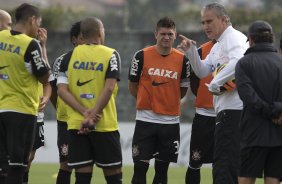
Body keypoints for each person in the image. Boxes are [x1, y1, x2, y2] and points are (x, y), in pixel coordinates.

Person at [177, 2, 248, 184]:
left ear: (224, 20)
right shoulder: (218, 45)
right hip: (223, 113)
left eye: (209, 21)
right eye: (203, 22)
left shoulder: (233, 37)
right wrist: (192, 51)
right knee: (222, 166)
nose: (205, 26)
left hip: (234, 113)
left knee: (226, 167)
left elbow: (239, 61)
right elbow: (202, 71)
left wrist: (217, 82)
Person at [57, 17, 122, 184]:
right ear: (100, 32)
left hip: (77, 125)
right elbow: (109, 88)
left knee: (82, 177)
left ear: (82, 35)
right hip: (104, 124)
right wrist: (93, 115)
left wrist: (84, 113)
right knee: (114, 176)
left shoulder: (68, 57)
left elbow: (62, 91)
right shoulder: (111, 54)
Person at [128, 17, 190, 184]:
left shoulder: (183, 60)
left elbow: (183, 89)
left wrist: (168, 101)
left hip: (170, 122)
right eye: (163, 33)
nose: (166, 37)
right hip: (145, 120)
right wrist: (146, 100)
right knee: (140, 168)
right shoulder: (141, 55)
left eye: (170, 34)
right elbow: (132, 85)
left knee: (162, 172)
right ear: (156, 34)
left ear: (175, 35)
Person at [0, 3, 50, 184]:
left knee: (3, 169)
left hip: (1, 109)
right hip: (21, 112)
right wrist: (43, 48)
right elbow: (45, 76)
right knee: (18, 168)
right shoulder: (30, 44)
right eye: (38, 23)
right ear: (32, 20)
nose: (38, 27)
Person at [235, 20, 282, 184]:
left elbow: (249, 98)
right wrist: (278, 111)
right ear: (271, 39)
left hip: (253, 133)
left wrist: (271, 111)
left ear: (251, 40)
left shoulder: (244, 63)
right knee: (273, 179)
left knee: (246, 178)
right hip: (279, 132)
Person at [49, 21, 83, 184]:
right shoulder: (62, 60)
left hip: (90, 119)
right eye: (83, 37)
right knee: (66, 164)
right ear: (74, 39)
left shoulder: (100, 58)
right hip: (66, 121)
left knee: (85, 166)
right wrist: (61, 109)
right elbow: (54, 90)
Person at [185, 40, 216, 184]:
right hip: (204, 115)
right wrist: (205, 96)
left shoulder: (236, 47)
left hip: (227, 115)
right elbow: (194, 81)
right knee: (195, 161)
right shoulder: (202, 50)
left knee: (223, 163)